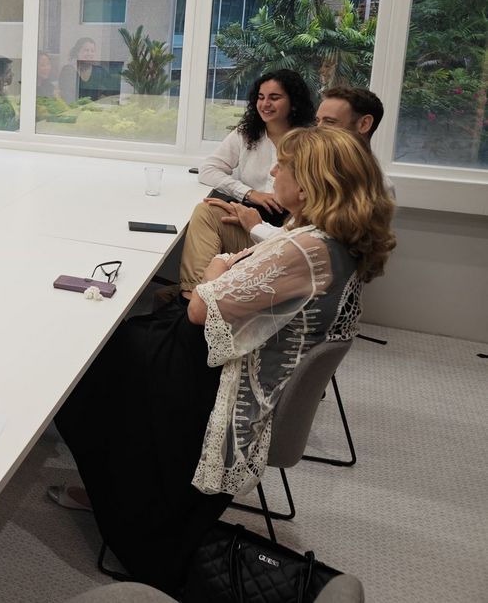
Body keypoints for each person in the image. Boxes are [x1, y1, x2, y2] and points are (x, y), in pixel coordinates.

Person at [52, 127, 396, 594]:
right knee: (124, 341)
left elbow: (200, 308)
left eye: (284, 166)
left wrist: (215, 271)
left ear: (310, 185)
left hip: (229, 379)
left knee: (92, 363)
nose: (273, 170)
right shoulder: (327, 238)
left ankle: (120, 499)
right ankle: (112, 488)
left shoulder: (308, 249)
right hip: (244, 357)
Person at [178, 69, 316, 298]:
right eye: (261, 97)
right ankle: (193, 296)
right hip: (250, 217)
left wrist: (256, 224)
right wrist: (249, 193)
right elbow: (208, 170)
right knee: (206, 210)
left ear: (293, 103)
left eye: (274, 97)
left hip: (289, 230)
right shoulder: (247, 133)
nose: (265, 104)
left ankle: (201, 302)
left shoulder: (311, 141)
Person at [202, 86, 389, 249]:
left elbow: (306, 250)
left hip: (286, 261)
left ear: (364, 124)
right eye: (317, 121)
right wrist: (253, 219)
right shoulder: (326, 170)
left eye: (329, 122)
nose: (318, 129)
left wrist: (255, 226)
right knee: (209, 212)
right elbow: (295, 236)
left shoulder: (370, 185)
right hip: (277, 243)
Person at [58, 37, 104, 104]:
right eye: (86, 50)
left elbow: (106, 94)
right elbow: (66, 97)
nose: (90, 54)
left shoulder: (99, 71)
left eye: (92, 51)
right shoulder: (68, 71)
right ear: (77, 52)